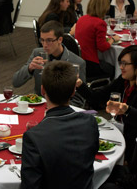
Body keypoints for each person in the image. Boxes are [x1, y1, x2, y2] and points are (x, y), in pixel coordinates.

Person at [21, 61, 99, 189]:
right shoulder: (90, 123)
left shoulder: (34, 136)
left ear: (42, 90)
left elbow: (30, 185)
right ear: (74, 91)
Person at [76, 45, 137, 166]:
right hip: (118, 131)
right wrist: (79, 84)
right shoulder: (123, 81)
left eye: (125, 64)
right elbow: (97, 96)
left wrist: (127, 110)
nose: (121, 67)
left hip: (132, 143)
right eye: (120, 63)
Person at [13, 20, 86, 107]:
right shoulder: (37, 53)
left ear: (60, 39)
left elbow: (79, 100)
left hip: (62, 110)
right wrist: (29, 68)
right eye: (42, 40)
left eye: (49, 40)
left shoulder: (76, 62)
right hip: (38, 105)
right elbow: (16, 82)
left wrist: (55, 108)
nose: (44, 45)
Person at [75, 0, 121, 80]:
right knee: (114, 68)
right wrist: (113, 39)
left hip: (80, 60)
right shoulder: (100, 23)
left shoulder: (82, 19)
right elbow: (102, 47)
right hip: (91, 64)